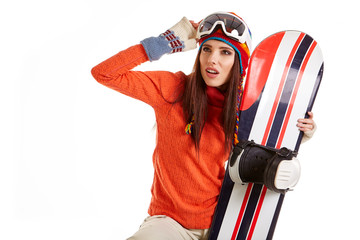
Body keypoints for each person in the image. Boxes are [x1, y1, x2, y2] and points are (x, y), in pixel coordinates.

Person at [91, 12, 316, 240]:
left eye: (225, 52)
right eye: (206, 49)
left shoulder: (245, 110)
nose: (212, 60)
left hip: (224, 223)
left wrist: (302, 132)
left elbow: (265, 149)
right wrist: (164, 43)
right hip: (169, 225)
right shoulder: (171, 89)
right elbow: (104, 73)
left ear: (239, 62)